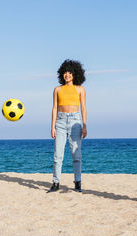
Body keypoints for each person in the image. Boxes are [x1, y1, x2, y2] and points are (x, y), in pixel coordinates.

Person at [48, 59, 87, 193]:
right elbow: (54, 108)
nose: (67, 75)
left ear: (75, 74)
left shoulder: (80, 89)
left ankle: (77, 182)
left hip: (75, 121)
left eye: (70, 72)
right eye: (65, 72)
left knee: (76, 155)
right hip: (60, 121)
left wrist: (84, 126)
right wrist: (52, 126)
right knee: (58, 155)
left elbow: (83, 108)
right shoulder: (57, 89)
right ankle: (55, 182)